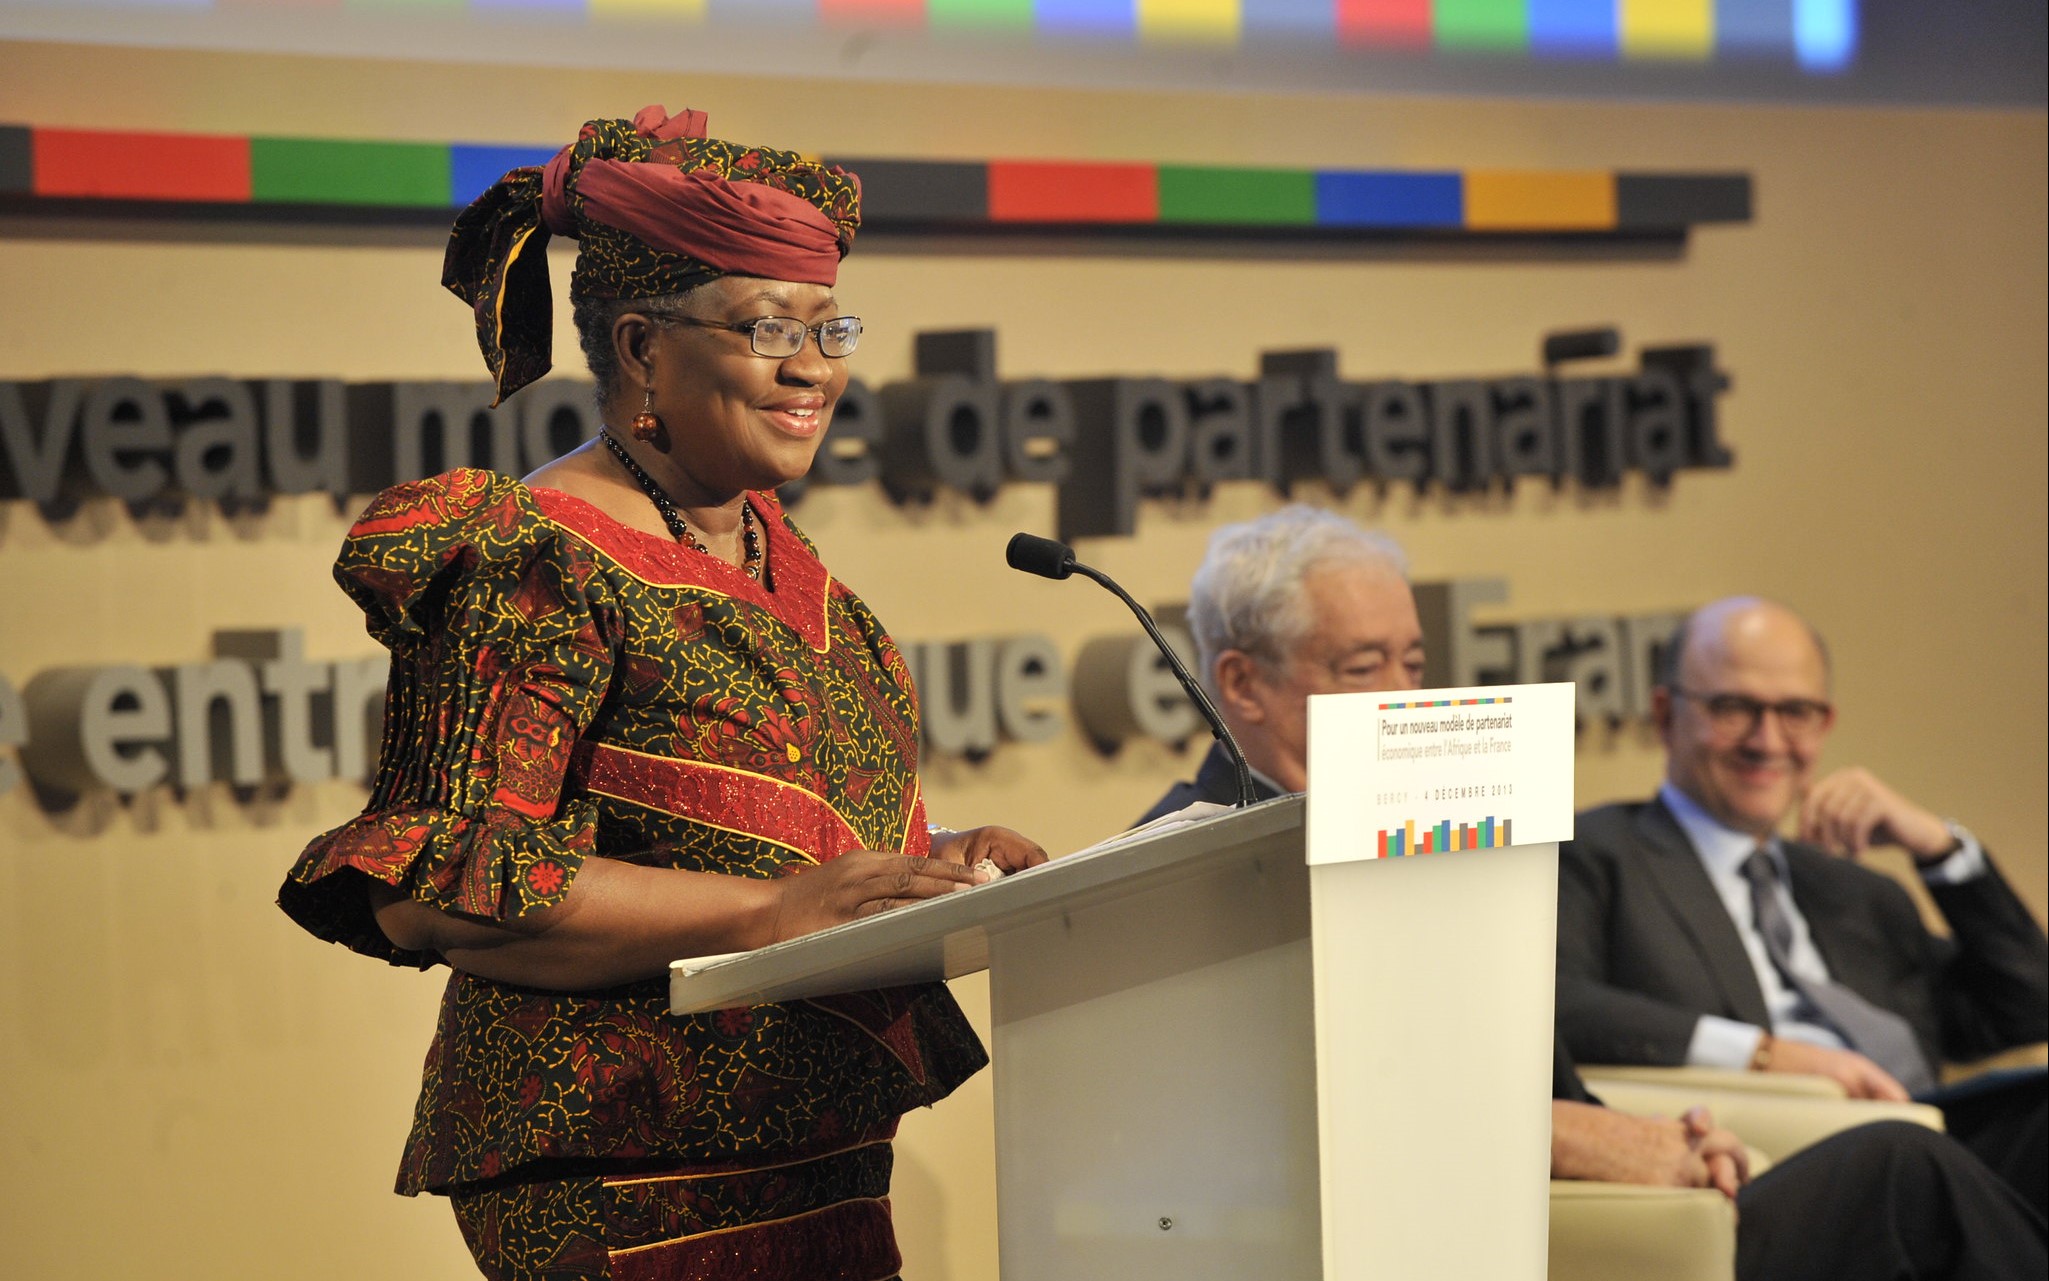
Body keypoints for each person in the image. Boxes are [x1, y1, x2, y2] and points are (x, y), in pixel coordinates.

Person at [277, 106, 1044, 1281]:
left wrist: (935, 864)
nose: (814, 369)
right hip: (627, 1190)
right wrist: (773, 912)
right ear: (641, 348)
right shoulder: (534, 558)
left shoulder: (779, 556)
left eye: (831, 326)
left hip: (826, 1169)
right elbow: (440, 893)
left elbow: (733, 831)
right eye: (767, 329)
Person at [1142, 505, 2047, 1278]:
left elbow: (1530, 1058)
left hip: (1589, 1210)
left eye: (1411, 665)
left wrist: (1668, 1137)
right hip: (1480, 1239)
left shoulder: (1405, 834)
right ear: (1240, 683)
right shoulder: (1187, 863)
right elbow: (1289, 1112)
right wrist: (1571, 1136)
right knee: (1903, 1171)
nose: (1398, 699)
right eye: (1360, 667)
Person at [1556, 596, 2047, 1212]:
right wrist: (1764, 1054)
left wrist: (1940, 849)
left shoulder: (1854, 889)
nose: (1767, 741)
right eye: (1734, 708)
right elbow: (1558, 1004)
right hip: (1785, 1164)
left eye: (1796, 712)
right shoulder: (1596, 855)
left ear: (1825, 724)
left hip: (1930, 1145)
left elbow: (2026, 1007)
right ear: (1665, 714)